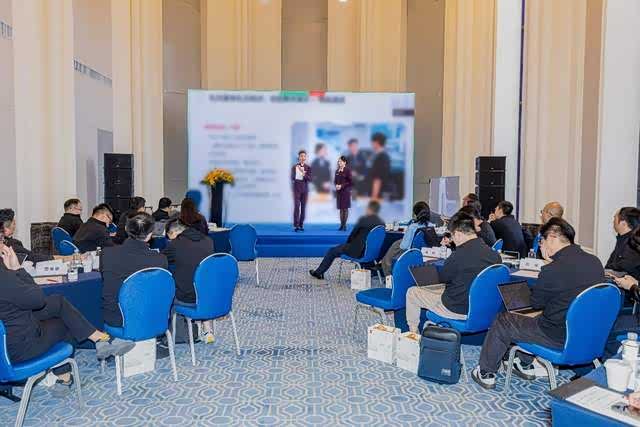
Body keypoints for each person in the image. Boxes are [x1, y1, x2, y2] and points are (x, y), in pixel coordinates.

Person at [472, 218, 605, 390]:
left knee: (504, 319)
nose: (540, 245)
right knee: (538, 317)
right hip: (589, 333)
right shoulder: (595, 262)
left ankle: (486, 372)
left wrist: (547, 268)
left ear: (552, 237)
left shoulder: (553, 269)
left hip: (557, 336)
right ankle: (523, 362)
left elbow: (536, 303)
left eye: (542, 240)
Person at [0, 234, 134, 385]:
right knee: (64, 323)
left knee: (57, 302)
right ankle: (66, 375)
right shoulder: (4, 277)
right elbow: (38, 300)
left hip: (8, 333)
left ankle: (98, 338)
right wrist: (17, 269)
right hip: (16, 350)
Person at [405, 212, 501, 333]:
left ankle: (413, 334)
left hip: (456, 308)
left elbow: (443, 278)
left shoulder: (458, 255)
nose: (453, 241)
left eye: (452, 236)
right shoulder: (494, 255)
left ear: (458, 234)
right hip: (482, 308)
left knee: (412, 292)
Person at [100, 213, 168, 328]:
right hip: (152, 315)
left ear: (126, 229)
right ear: (150, 235)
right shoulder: (160, 259)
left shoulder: (107, 254)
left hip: (118, 317)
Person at [162, 219, 216, 343]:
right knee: (199, 283)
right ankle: (207, 329)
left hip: (187, 297)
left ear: (174, 232)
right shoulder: (208, 240)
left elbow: (161, 260)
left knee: (166, 291)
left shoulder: (176, 244)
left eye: (169, 238)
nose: (169, 241)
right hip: (210, 296)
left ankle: (176, 334)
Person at [309, 200, 384, 280]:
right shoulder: (381, 223)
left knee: (332, 251)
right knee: (341, 248)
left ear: (369, 209)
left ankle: (318, 273)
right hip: (372, 254)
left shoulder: (364, 219)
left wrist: (347, 245)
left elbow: (352, 235)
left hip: (358, 252)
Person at [380, 202, 439, 276]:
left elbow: (404, 246)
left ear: (416, 214)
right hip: (423, 253)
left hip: (409, 252)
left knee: (389, 256)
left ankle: (388, 276)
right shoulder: (431, 226)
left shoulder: (412, 227)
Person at [605, 207, 640, 279]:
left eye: (615, 218)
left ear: (623, 223)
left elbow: (624, 268)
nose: (613, 221)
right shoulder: (622, 239)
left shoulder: (634, 242)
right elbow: (610, 266)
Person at [291, 150, 312, 232]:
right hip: (296, 189)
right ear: (299, 157)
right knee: (296, 206)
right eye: (301, 156)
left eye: (304, 156)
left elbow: (310, 179)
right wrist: (297, 175)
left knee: (303, 208)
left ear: (305, 157)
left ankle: (301, 224)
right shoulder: (294, 167)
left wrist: (304, 174)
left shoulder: (308, 167)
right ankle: (296, 225)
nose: (302, 157)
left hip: (305, 190)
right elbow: (292, 177)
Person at [368, 132, 391, 201]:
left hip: (379, 194)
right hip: (377, 192)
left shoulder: (382, 157)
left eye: (372, 142)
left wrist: (373, 198)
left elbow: (378, 180)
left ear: (376, 142)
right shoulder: (378, 155)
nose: (371, 144)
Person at [335, 156, 353, 231]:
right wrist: (336, 185)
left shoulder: (348, 170)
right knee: (341, 209)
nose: (339, 163)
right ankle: (341, 225)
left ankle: (344, 225)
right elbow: (335, 181)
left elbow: (350, 182)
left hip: (346, 192)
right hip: (339, 192)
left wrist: (341, 186)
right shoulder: (337, 171)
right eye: (338, 161)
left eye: (341, 161)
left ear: (344, 162)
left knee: (345, 208)